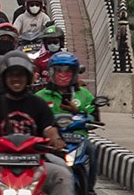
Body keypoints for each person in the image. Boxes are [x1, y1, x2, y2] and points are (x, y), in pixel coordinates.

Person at [0, 51, 71, 195]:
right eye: (12, 75)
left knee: (63, 171)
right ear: (4, 78)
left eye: (20, 75)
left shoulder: (39, 104)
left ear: (28, 78)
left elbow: (49, 129)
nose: (16, 79)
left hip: (36, 160)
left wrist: (57, 141)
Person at [35, 51, 99, 194]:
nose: (63, 74)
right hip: (49, 141)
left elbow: (95, 117)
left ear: (74, 72)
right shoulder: (40, 96)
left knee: (92, 149)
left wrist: (77, 111)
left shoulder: (84, 95)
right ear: (51, 72)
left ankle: (89, 188)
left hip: (78, 139)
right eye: (58, 70)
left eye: (67, 71)